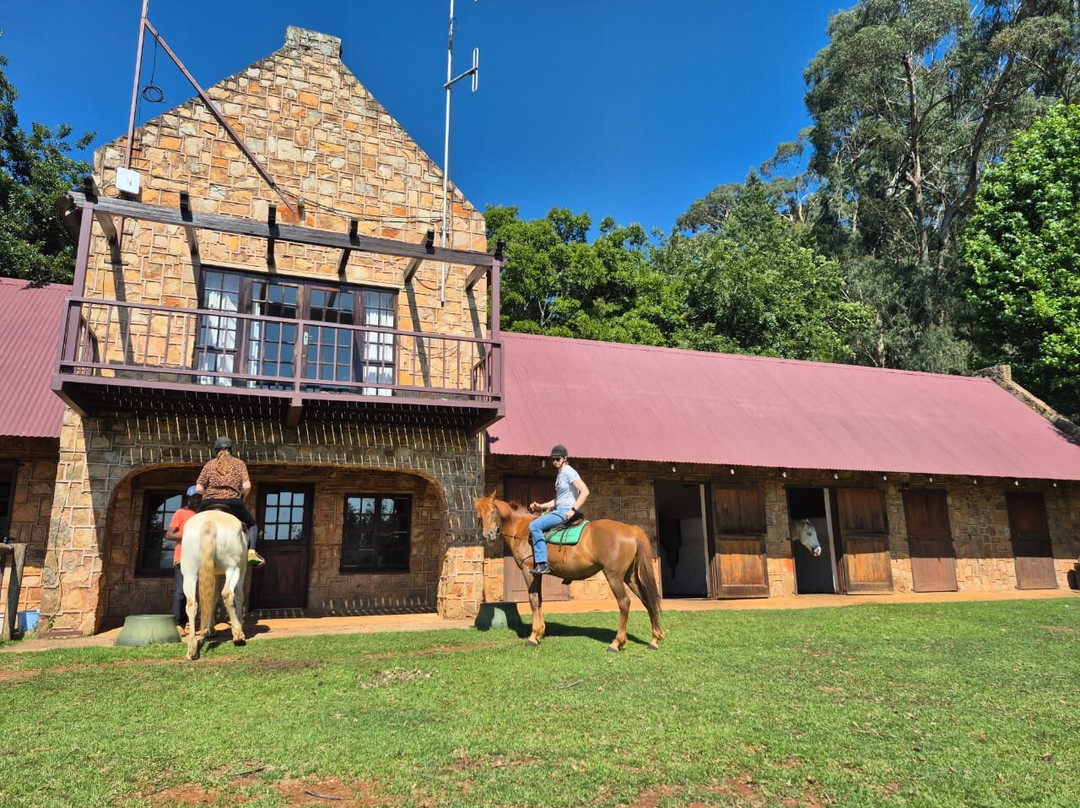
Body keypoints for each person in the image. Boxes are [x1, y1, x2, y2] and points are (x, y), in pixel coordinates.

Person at [195, 435, 265, 567]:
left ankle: (184, 555)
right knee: (252, 525)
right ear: (231, 450)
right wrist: (242, 497)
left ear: (216, 450)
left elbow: (198, 488)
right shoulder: (239, 464)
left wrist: (209, 495)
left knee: (191, 525)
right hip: (232, 502)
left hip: (209, 502)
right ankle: (251, 553)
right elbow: (247, 486)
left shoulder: (209, 464)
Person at [527, 444, 589, 575]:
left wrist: (573, 509)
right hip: (560, 508)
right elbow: (558, 500)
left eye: (558, 459)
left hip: (565, 511)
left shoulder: (568, 471)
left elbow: (585, 491)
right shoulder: (560, 473)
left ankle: (542, 564)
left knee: (534, 526)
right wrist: (541, 506)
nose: (555, 461)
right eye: (553, 459)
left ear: (565, 458)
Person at [165, 485, 201, 635]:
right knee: (181, 592)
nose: (196, 500)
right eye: (193, 497)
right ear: (188, 498)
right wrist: (188, 537)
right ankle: (178, 622)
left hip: (200, 559)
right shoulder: (181, 513)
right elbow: (169, 535)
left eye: (199, 497)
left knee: (195, 592)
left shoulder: (204, 515)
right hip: (182, 558)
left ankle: (190, 622)